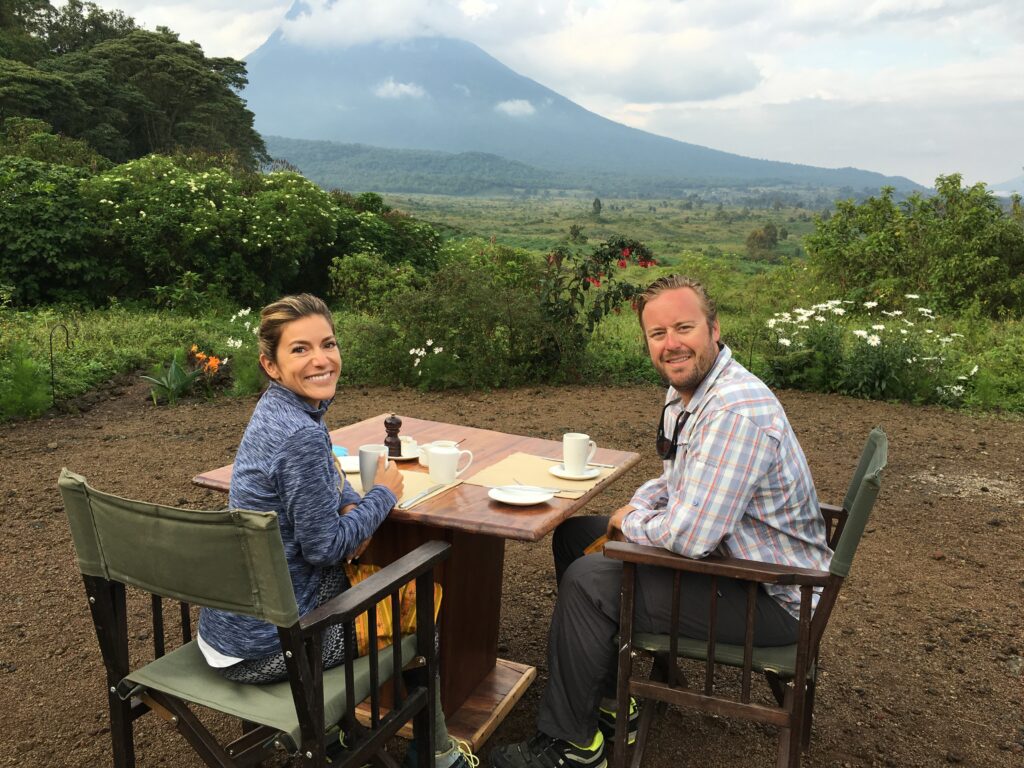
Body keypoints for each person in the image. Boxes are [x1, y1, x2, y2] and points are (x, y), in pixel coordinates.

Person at [491, 275, 831, 768]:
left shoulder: (735, 412)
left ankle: (570, 747)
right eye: (657, 334)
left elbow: (691, 538)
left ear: (715, 329)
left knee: (590, 581)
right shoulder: (689, 393)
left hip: (773, 594)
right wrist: (631, 509)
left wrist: (634, 525)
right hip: (733, 558)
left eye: (684, 327)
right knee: (576, 537)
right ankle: (609, 701)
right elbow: (676, 478)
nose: (671, 344)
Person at [196, 294, 475, 768]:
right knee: (417, 597)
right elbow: (327, 547)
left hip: (229, 626)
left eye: (327, 343)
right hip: (272, 644)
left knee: (370, 569)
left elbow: (327, 477)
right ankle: (436, 753)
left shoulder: (279, 412)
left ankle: (340, 729)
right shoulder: (300, 433)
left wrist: (351, 505)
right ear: (271, 364)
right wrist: (382, 495)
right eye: (300, 349)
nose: (321, 359)